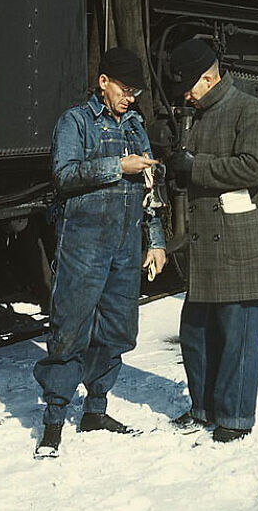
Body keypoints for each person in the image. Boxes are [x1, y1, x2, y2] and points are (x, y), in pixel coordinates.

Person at [33, 47, 167, 457]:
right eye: (126, 90)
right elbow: (64, 175)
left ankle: (95, 410)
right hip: (83, 247)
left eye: (137, 92)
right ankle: (54, 421)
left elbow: (148, 187)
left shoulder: (134, 126)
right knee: (69, 331)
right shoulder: (74, 122)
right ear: (103, 82)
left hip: (125, 247)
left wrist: (157, 240)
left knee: (116, 331)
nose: (132, 98)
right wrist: (116, 167)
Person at [166, 40, 258, 443]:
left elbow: (254, 168)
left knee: (238, 337)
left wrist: (195, 167)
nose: (185, 94)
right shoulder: (197, 115)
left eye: (190, 86)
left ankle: (234, 417)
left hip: (237, 243)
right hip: (206, 247)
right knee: (196, 333)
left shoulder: (249, 110)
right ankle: (204, 407)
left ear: (210, 77)